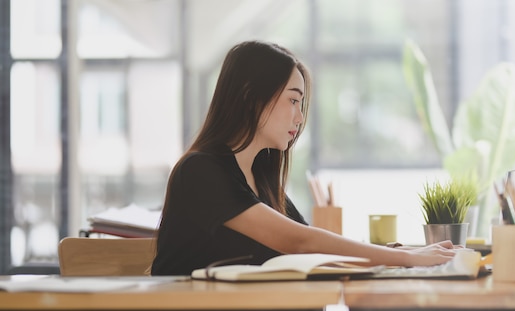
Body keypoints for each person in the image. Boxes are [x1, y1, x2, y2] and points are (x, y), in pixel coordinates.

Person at [151, 40, 458, 276]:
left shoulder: (261, 180)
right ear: (249, 95)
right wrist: (406, 258)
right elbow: (301, 242)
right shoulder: (200, 172)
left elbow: (317, 253)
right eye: (293, 100)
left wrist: (399, 252)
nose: (300, 117)